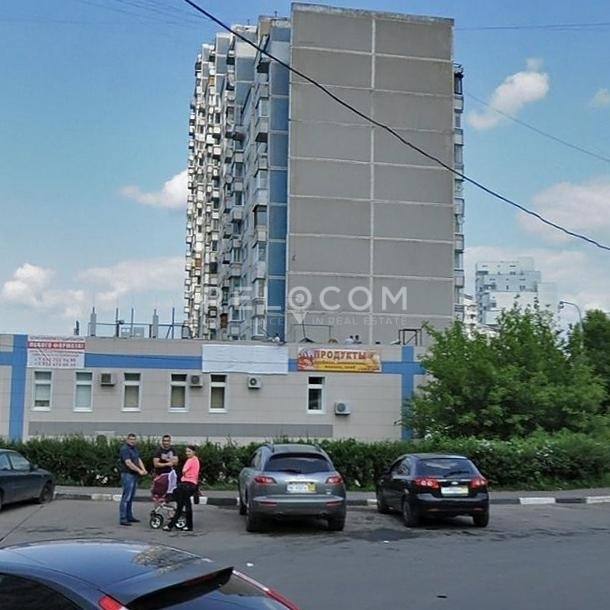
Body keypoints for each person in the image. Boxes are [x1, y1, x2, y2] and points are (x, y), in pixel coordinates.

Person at [164, 445, 200, 532]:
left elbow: (184, 470)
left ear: (194, 452)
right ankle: (189, 526)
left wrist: (185, 474)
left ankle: (170, 525)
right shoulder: (196, 460)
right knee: (187, 505)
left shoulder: (190, 460)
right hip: (193, 485)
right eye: (186, 451)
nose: (187, 453)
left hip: (185, 485)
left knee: (180, 506)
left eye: (189, 451)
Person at [119, 433, 147, 526]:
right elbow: (128, 463)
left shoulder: (134, 449)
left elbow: (138, 459)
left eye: (134, 439)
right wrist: (139, 470)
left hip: (134, 475)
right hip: (127, 475)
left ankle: (129, 516)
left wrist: (143, 469)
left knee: (131, 497)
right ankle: (123, 518)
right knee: (126, 497)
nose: (132, 441)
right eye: (130, 439)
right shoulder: (125, 449)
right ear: (127, 440)